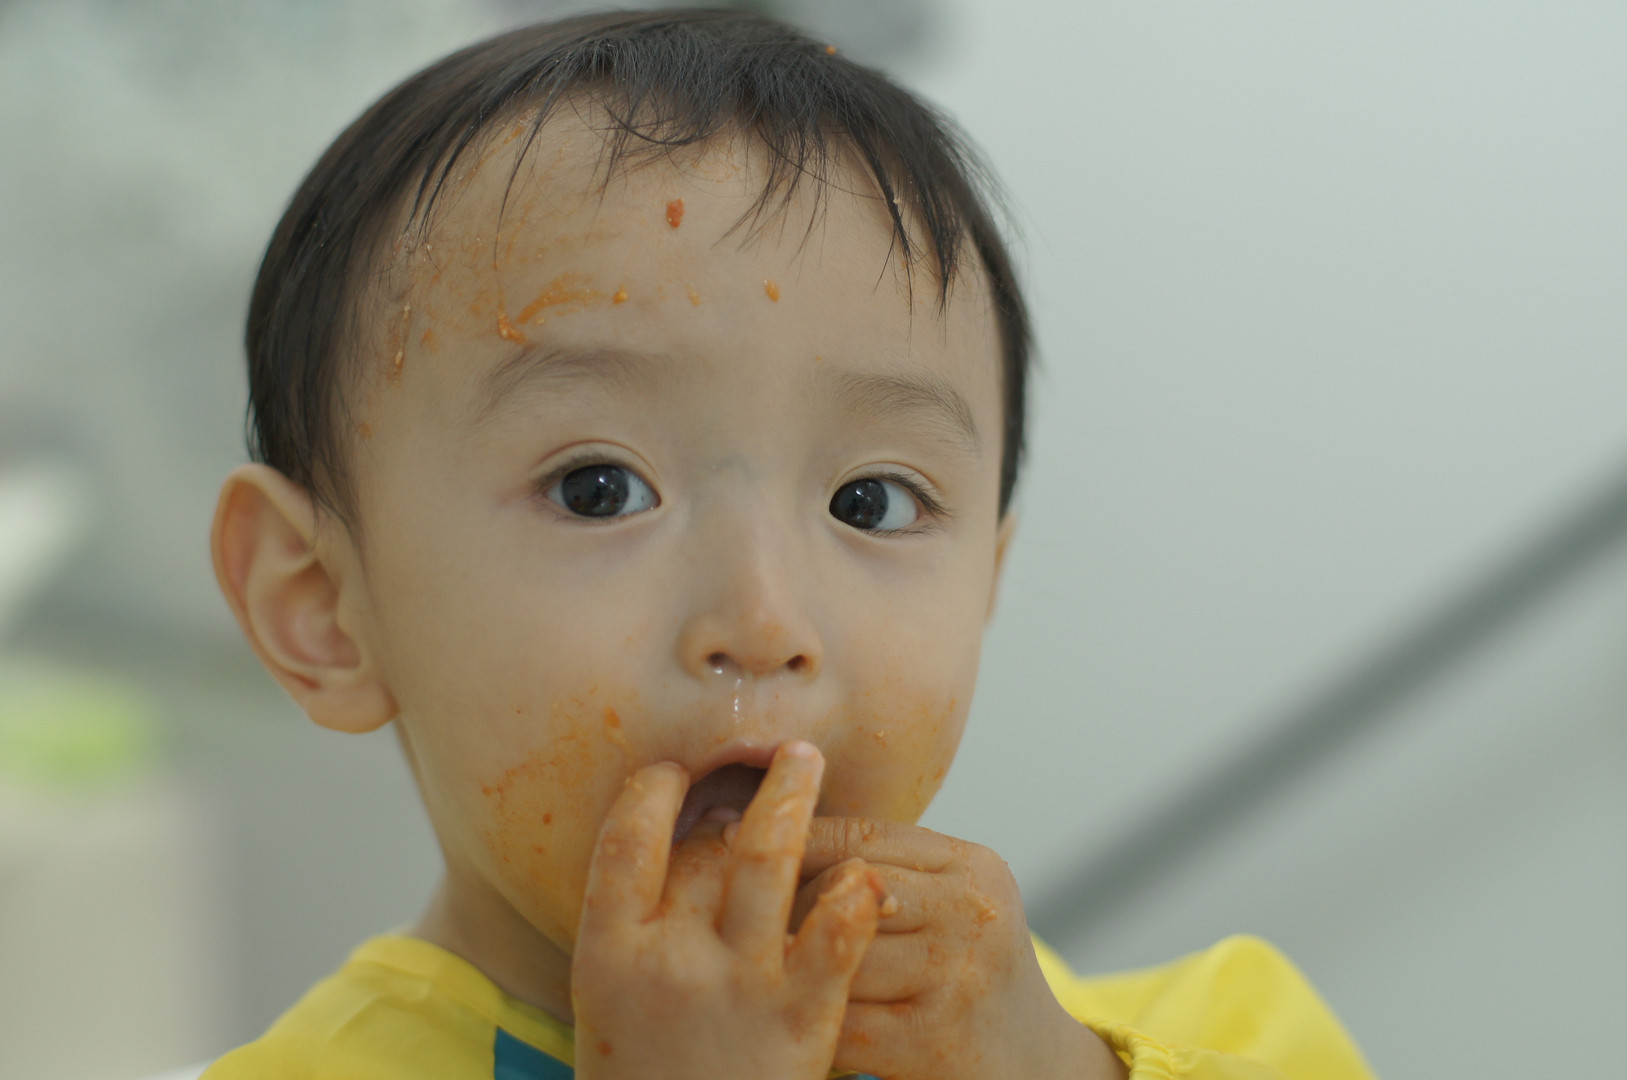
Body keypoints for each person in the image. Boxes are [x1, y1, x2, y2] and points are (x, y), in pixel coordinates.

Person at [204, 10, 1374, 1079]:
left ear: (987, 583)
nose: (764, 621)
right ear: (320, 606)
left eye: (871, 502)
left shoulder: (1163, 1040)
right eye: (599, 490)